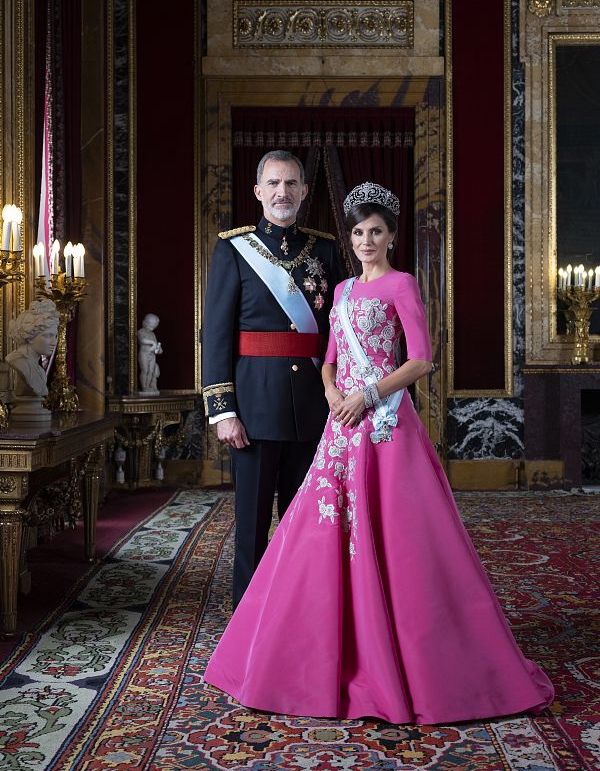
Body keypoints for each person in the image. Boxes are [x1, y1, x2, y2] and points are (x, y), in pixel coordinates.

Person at [203, 181, 554, 724]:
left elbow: (422, 361)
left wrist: (368, 395)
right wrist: (332, 394)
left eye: (376, 233)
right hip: (341, 424)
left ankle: (407, 647)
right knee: (320, 533)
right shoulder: (341, 291)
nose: (366, 241)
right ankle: (318, 645)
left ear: (391, 237)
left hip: (385, 424)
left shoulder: (402, 286)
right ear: (351, 237)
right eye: (359, 233)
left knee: (395, 535)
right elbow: (327, 357)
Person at [202, 150, 344, 609]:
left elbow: (339, 333)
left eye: (291, 184)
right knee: (252, 524)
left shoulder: (324, 250)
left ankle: (303, 612)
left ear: (304, 192)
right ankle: (249, 617)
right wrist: (222, 410)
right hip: (254, 408)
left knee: (309, 520)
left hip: (314, 407)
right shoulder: (233, 248)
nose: (282, 193)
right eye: (274, 184)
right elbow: (217, 334)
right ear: (258, 192)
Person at [5, 298, 59, 397]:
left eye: (55, 336)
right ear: (29, 336)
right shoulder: (18, 362)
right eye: (48, 336)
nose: (54, 342)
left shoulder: (39, 370)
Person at [137, 313, 162, 393]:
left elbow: (156, 344)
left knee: (151, 371)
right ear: (145, 323)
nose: (152, 328)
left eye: (154, 326)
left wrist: (158, 349)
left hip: (152, 355)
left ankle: (149, 386)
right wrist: (152, 342)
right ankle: (144, 386)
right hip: (144, 354)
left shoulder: (152, 334)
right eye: (150, 325)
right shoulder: (141, 331)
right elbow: (142, 340)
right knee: (145, 370)